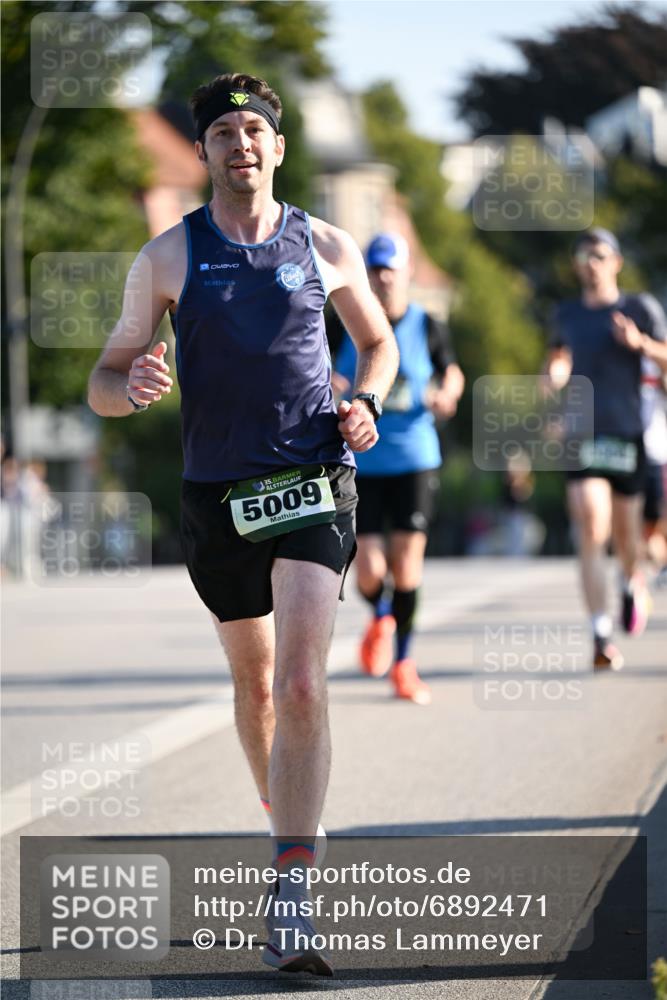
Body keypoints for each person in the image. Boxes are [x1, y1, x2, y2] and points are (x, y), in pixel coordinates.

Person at [88, 72, 399, 977]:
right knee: (258, 689)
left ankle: (293, 887)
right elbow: (104, 380)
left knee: (303, 684)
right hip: (214, 495)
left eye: (253, 131)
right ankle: (289, 819)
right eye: (222, 132)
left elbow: (375, 343)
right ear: (202, 152)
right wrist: (132, 383)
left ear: (278, 146)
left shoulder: (326, 241)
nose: (240, 145)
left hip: (310, 479)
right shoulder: (167, 256)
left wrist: (365, 400)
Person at [332, 233, 464, 704]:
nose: (383, 277)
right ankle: (382, 615)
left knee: (407, 565)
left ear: (406, 273)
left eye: (391, 269)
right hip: (362, 461)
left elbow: (451, 370)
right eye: (375, 269)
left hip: (414, 459)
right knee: (367, 570)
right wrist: (334, 383)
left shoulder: (428, 323)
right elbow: (320, 368)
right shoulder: (346, 321)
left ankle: (404, 664)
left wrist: (448, 392)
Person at [544, 228, 667, 670]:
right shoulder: (567, 314)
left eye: (598, 255)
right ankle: (600, 630)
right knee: (590, 524)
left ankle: (633, 579)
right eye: (583, 255)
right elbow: (556, 358)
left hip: (627, 435)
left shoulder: (640, 309)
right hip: (582, 436)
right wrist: (554, 375)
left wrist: (642, 345)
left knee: (627, 540)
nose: (590, 263)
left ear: (615, 261)